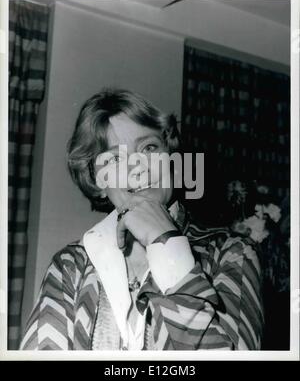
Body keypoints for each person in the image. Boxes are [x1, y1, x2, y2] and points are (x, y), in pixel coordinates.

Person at [20, 89, 264, 350]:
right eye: (115, 158)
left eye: (149, 147)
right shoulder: (71, 266)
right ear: (97, 181)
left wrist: (166, 243)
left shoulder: (231, 253)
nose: (138, 167)